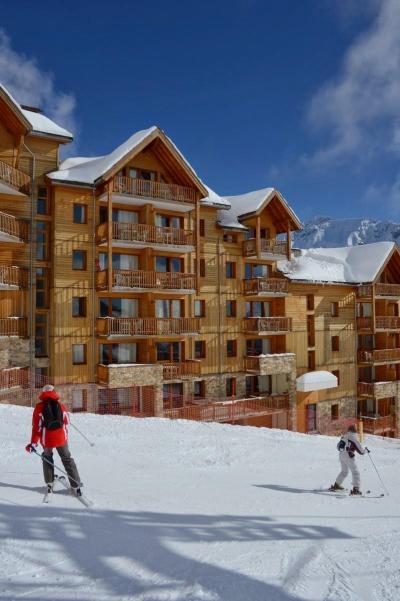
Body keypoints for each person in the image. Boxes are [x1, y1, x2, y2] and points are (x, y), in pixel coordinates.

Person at [25, 384, 83, 495]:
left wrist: (33, 443)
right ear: (53, 392)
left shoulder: (39, 407)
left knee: (47, 457)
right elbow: (66, 421)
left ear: (43, 393)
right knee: (67, 459)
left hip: (47, 440)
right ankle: (76, 485)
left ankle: (49, 484)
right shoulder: (60, 405)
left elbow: (36, 427)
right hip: (61, 438)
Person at [330, 424, 369, 495]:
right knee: (355, 472)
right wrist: (366, 451)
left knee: (344, 471)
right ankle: (356, 489)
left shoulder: (344, 436)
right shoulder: (353, 437)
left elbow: (338, 446)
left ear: (349, 430)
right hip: (348, 455)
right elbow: (361, 451)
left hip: (341, 455)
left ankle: (336, 485)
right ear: (354, 431)